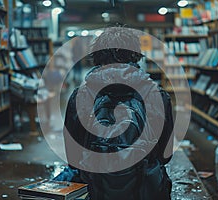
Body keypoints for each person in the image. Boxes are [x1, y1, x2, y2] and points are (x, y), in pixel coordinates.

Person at [62, 26, 174, 200]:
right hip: (145, 188)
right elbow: (165, 155)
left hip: (95, 188)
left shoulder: (80, 96)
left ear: (97, 55)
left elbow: (73, 157)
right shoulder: (157, 95)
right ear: (136, 54)